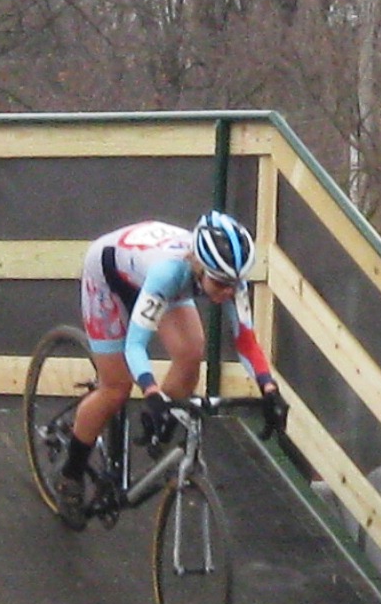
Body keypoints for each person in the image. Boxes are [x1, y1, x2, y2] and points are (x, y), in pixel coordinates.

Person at [53, 212, 288, 525]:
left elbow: (246, 342)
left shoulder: (226, 276)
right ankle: (70, 475)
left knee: (191, 354)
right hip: (109, 275)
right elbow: (135, 345)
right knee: (116, 388)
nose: (228, 292)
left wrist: (269, 388)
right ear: (200, 267)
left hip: (149, 272)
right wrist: (150, 391)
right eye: (220, 284)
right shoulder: (171, 273)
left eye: (234, 284)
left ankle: (158, 428)